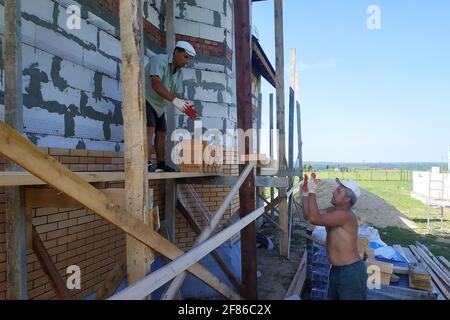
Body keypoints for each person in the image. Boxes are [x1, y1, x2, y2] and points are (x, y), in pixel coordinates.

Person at [302, 173, 367, 300]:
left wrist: (313, 191)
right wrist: (305, 192)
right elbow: (308, 216)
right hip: (337, 270)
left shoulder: (346, 215)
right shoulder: (333, 211)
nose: (333, 192)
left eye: (338, 191)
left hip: (350, 272)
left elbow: (314, 218)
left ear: (347, 199)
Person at [145, 41, 197, 172]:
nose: (187, 61)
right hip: (145, 98)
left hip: (159, 105)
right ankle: (144, 163)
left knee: (162, 132)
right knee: (150, 127)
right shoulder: (159, 60)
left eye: (189, 59)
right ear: (176, 52)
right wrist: (176, 100)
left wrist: (186, 107)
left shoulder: (179, 73)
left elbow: (175, 94)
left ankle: (161, 165)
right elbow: (155, 84)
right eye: (185, 57)